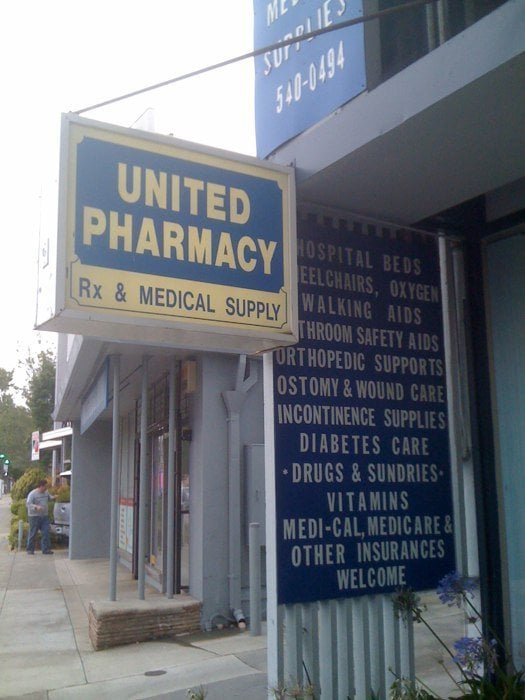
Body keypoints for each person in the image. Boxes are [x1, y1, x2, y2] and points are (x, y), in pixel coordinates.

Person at [26, 479, 56, 555]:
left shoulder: (46, 493)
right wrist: (36, 507)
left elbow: (49, 497)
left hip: (44, 516)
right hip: (34, 516)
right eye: (45, 487)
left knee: (46, 532)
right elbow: (28, 504)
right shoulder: (32, 494)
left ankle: (46, 549)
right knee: (33, 533)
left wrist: (54, 497)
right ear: (41, 486)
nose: (46, 488)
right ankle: (30, 549)